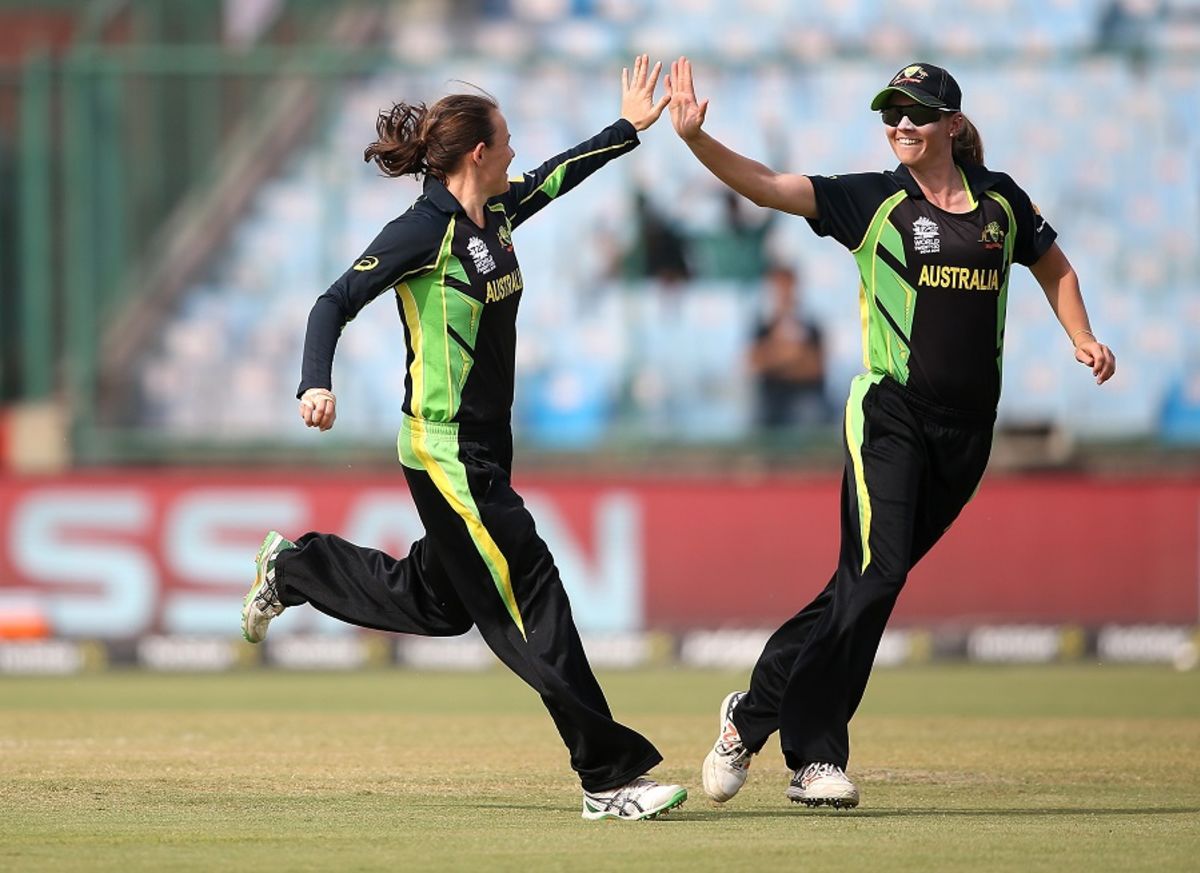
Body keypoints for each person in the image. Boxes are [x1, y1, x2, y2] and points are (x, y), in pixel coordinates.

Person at [240, 56, 688, 822]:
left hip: (486, 443)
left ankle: (297, 567)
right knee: (532, 585)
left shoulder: (497, 211)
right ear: (477, 152)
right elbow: (333, 300)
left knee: (440, 600)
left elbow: (553, 176)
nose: (515, 149)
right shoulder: (420, 231)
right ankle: (608, 777)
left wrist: (627, 130)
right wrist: (316, 381)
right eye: (505, 139)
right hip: (445, 448)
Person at [665, 58, 1116, 809]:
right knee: (878, 576)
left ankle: (749, 714)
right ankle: (814, 757)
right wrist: (695, 140)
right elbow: (770, 186)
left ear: (951, 124)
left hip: (969, 434)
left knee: (867, 582)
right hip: (889, 416)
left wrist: (1083, 335)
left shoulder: (1001, 200)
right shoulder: (872, 200)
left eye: (915, 112)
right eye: (890, 112)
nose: (900, 123)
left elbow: (1054, 266)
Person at [748, 264, 831, 430]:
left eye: (787, 286)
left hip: (805, 396)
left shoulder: (811, 326)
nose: (783, 292)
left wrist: (774, 357)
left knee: (810, 415)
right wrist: (792, 356)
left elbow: (816, 368)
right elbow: (753, 363)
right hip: (771, 399)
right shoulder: (763, 326)